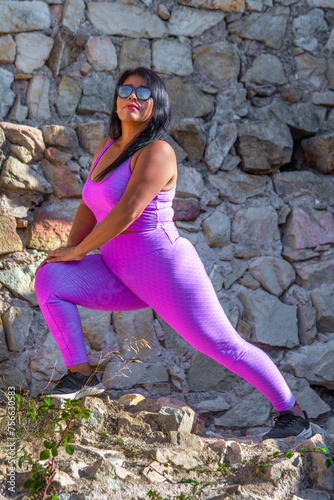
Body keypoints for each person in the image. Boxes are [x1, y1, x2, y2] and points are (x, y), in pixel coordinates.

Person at [34, 67, 312, 441]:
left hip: (165, 270)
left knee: (221, 344)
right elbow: (89, 203)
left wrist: (81, 249)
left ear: (157, 106)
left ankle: (293, 413)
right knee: (50, 278)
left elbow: (127, 211)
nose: (132, 96)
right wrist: (72, 251)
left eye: (143, 93)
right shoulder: (107, 147)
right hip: (119, 271)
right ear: (116, 100)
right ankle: (83, 375)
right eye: (125, 89)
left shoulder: (158, 151)